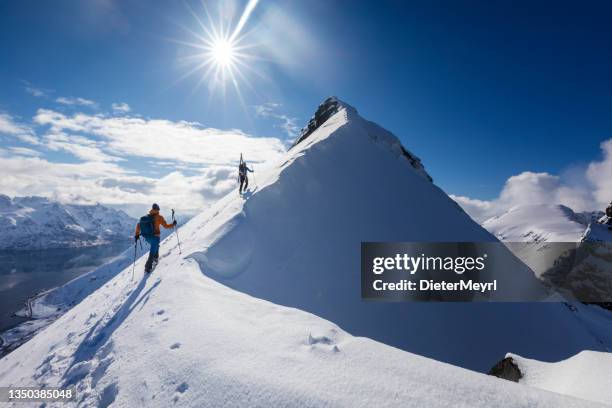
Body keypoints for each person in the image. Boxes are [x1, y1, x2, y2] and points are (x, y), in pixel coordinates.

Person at [135, 203, 176, 273]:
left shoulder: (146, 217)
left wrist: (137, 234)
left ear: (152, 209)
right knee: (153, 249)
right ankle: (148, 267)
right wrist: (173, 224)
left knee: (155, 246)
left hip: (146, 237)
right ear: (158, 209)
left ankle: (156, 259)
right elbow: (166, 226)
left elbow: (138, 225)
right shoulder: (159, 217)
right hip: (155, 237)